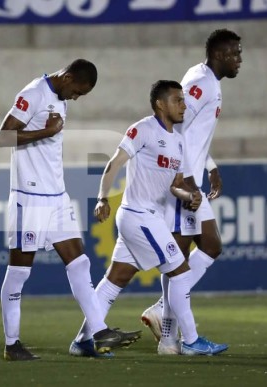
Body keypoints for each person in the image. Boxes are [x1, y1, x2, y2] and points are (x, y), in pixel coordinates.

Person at [69, 80, 229, 356]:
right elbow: (115, 162)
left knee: (114, 280)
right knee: (179, 272)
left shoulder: (178, 141)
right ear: (160, 104)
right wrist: (101, 197)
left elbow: (175, 184)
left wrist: (188, 196)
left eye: (184, 100)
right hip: (138, 216)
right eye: (177, 100)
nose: (184, 105)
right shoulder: (142, 129)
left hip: (149, 217)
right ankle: (190, 340)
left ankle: (83, 340)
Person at [0, 59, 142, 361]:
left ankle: (98, 333)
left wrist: (48, 133)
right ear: (68, 77)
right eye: (77, 91)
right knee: (20, 271)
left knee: (79, 262)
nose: (76, 98)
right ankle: (12, 344)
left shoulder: (61, 97)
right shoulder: (33, 93)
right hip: (30, 197)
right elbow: (3, 137)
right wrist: (43, 133)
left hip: (57, 197)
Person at [140, 29, 243, 348]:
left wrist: (210, 167)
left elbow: (191, 132)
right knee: (190, 253)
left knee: (198, 249)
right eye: (236, 53)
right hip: (182, 181)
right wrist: (181, 177)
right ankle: (173, 329)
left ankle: (168, 337)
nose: (240, 59)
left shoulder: (204, 79)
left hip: (189, 177)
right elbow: (175, 126)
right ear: (221, 54)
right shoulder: (201, 83)